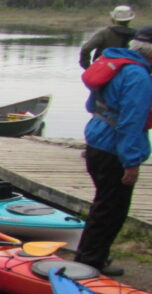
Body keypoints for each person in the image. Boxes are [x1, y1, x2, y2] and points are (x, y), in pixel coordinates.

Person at [77, 26, 152, 276]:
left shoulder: (115, 65)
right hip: (114, 149)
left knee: (103, 205)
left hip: (96, 140)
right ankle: (89, 264)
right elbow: (132, 121)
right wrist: (131, 162)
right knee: (112, 210)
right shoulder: (138, 76)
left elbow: (92, 103)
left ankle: (91, 257)